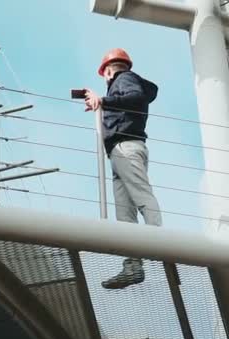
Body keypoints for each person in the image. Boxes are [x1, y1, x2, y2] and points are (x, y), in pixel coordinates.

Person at [84, 48, 162, 289]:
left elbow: (135, 95)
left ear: (107, 71)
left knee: (141, 195)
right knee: (124, 212)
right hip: (120, 152)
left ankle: (160, 241)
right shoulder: (125, 82)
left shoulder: (124, 79)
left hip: (125, 147)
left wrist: (104, 100)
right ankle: (132, 266)